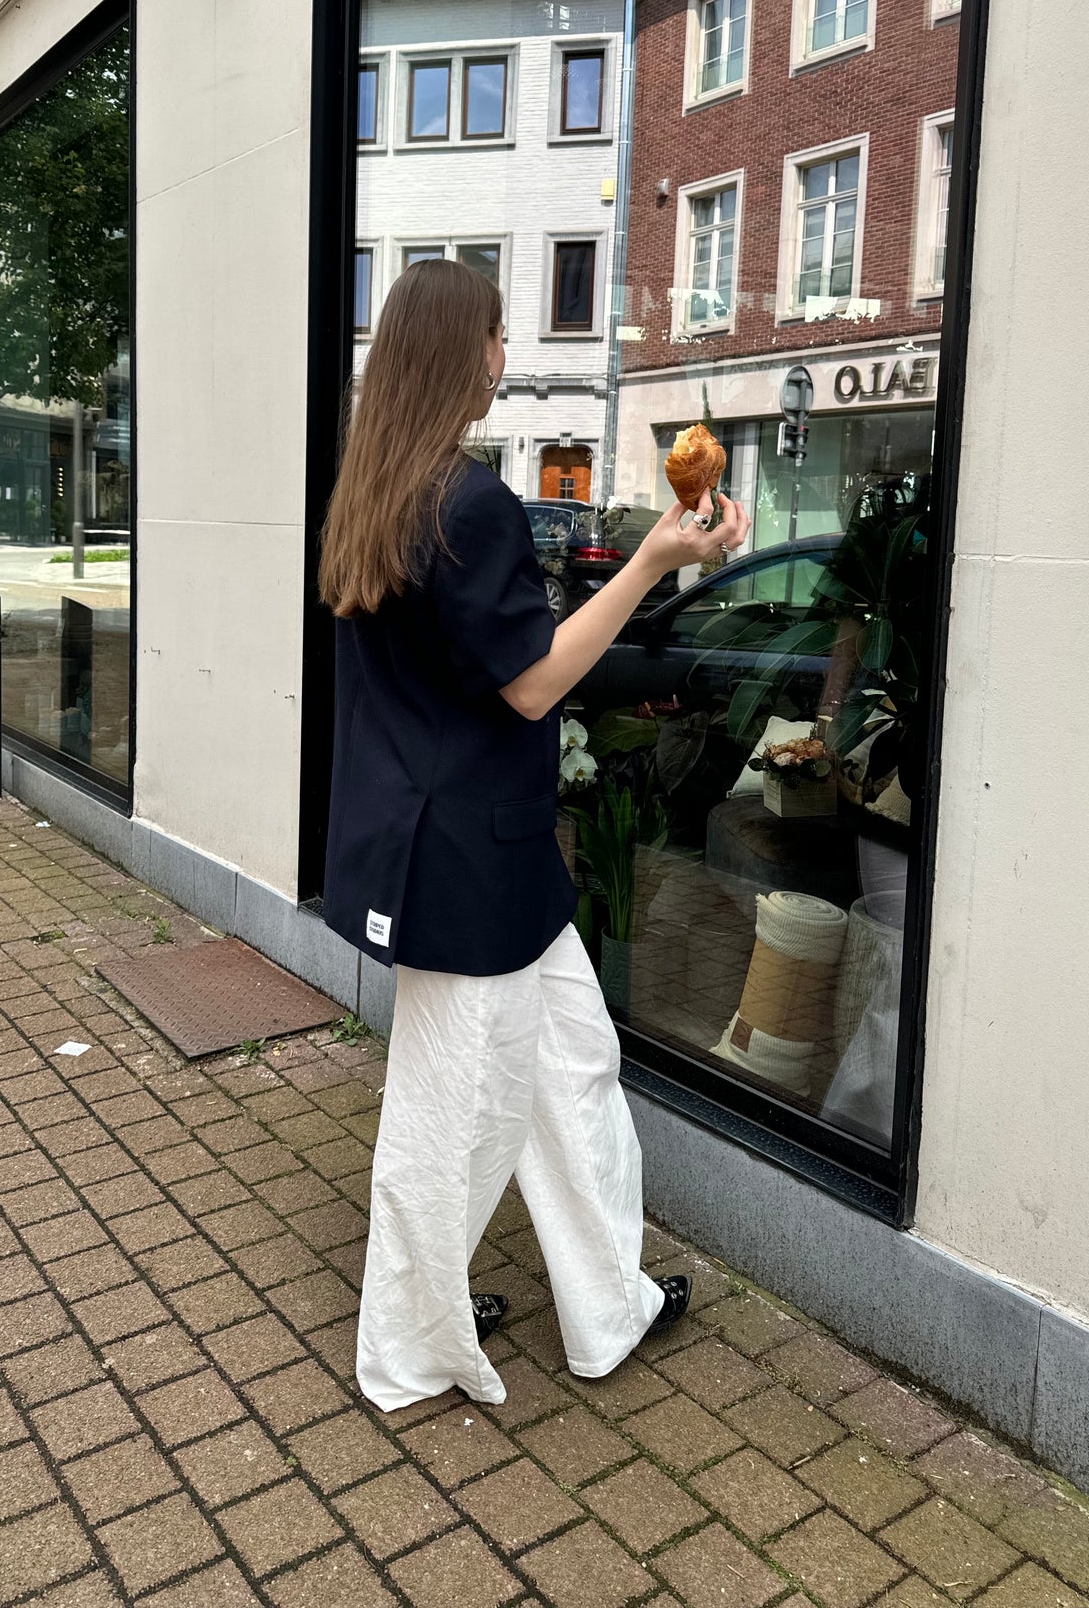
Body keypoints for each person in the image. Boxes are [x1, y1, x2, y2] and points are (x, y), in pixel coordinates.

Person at [318, 258, 750, 1411]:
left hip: (458, 855)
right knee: (458, 1114)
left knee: (567, 1070)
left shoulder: (378, 489)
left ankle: (607, 1303)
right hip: (472, 863)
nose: (508, 353)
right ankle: (409, 1347)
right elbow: (531, 681)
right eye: (499, 334)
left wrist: (650, 564)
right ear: (463, 350)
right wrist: (657, 558)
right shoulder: (466, 503)